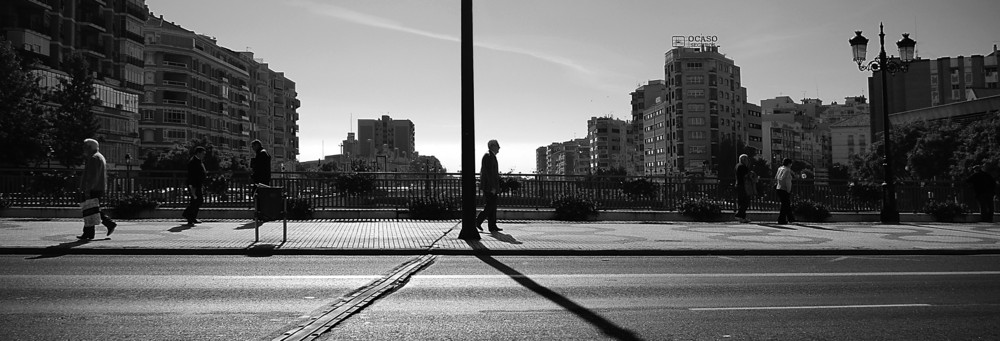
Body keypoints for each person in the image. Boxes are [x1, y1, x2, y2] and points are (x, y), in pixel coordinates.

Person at [77, 139, 116, 240]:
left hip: (93, 187)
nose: (83, 149)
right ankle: (89, 233)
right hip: (98, 187)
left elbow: (92, 176)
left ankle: (108, 224)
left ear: (89, 147)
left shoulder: (94, 158)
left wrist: (87, 189)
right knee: (91, 209)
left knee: (91, 209)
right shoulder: (98, 156)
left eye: (85, 147)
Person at [476, 140, 502, 232]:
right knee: (490, 205)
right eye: (497, 145)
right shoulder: (489, 156)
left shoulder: (490, 156)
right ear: (492, 146)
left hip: (489, 185)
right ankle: (478, 221)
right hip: (489, 186)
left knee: (492, 205)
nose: (499, 148)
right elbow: (489, 173)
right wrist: (492, 187)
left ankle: (492, 225)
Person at [182, 146, 207, 226]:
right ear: (198, 153)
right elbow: (192, 175)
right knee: (196, 200)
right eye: (203, 153)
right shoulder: (193, 162)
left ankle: (192, 217)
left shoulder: (199, 161)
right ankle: (188, 216)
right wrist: (192, 187)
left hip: (198, 184)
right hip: (194, 185)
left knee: (197, 201)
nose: (204, 155)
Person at [734, 154, 755, 223]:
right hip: (744, 186)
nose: (748, 161)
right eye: (747, 160)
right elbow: (746, 176)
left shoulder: (737, 166)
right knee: (746, 201)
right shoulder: (743, 167)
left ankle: (742, 217)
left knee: (741, 201)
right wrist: (752, 175)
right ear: (744, 160)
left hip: (738, 185)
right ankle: (739, 214)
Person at [775, 157, 795, 224]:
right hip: (784, 189)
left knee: (786, 204)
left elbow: (776, 177)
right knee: (785, 205)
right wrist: (789, 190)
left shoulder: (780, 168)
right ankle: (781, 219)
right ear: (789, 164)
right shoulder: (787, 170)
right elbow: (787, 181)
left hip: (778, 187)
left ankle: (791, 218)